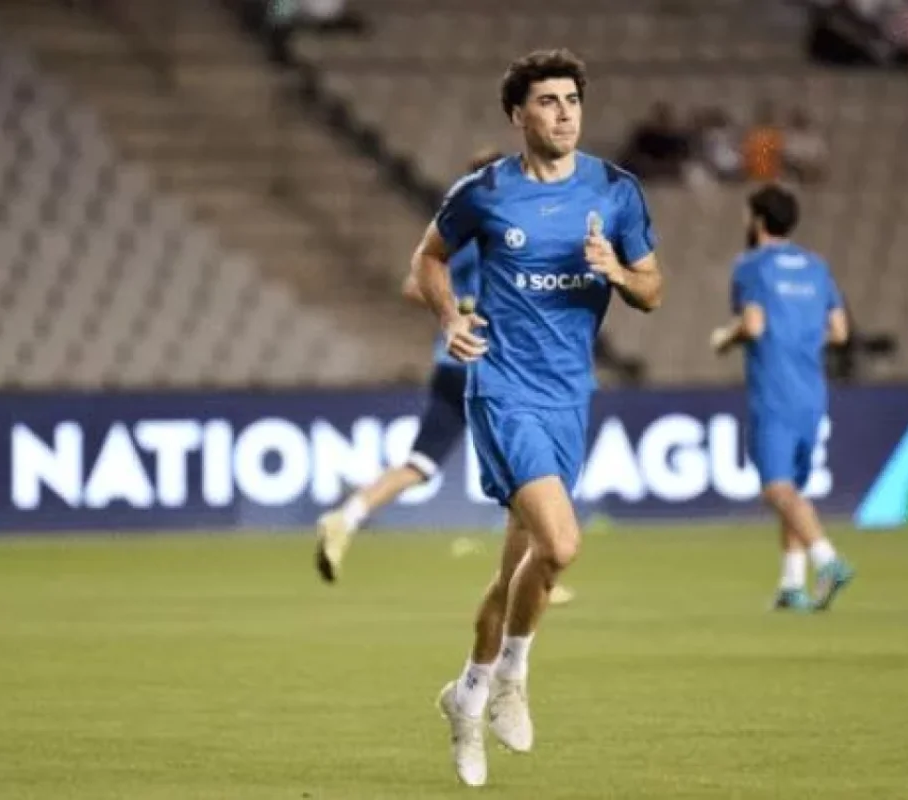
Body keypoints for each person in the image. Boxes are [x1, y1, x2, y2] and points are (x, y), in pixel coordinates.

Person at [411, 49, 663, 787]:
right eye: (548, 101)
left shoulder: (615, 191)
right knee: (561, 543)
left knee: (520, 571)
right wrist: (450, 316)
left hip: (568, 396)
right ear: (517, 115)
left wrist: (618, 273)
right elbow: (428, 259)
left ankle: (467, 695)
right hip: (501, 388)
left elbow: (653, 288)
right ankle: (513, 677)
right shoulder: (485, 193)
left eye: (572, 100)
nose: (564, 113)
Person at [314, 148, 577, 608]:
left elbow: (418, 282)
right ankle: (529, 577)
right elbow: (416, 285)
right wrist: (467, 307)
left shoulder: (464, 226)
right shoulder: (491, 231)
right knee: (526, 473)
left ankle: (347, 516)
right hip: (485, 369)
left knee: (420, 464)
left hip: (451, 367)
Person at [710, 184, 855, 613]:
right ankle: (792, 584)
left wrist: (725, 338)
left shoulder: (751, 265)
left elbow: (753, 325)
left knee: (776, 488)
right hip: (812, 391)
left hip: (774, 390)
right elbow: (840, 332)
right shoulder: (816, 266)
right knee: (793, 491)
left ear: (757, 220)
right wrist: (801, 339)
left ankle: (828, 560)